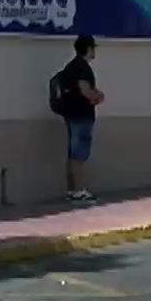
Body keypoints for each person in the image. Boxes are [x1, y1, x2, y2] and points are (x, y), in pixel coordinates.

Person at [58, 34, 104, 203]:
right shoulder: (81, 67)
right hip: (81, 116)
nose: (94, 51)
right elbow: (85, 90)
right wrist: (98, 96)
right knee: (79, 154)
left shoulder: (71, 66)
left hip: (71, 115)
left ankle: (72, 190)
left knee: (72, 154)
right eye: (93, 48)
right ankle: (79, 190)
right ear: (88, 48)